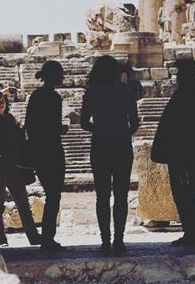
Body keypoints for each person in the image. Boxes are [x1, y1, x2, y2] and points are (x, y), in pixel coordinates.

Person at [81, 55, 139, 254]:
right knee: (121, 195)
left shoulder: (91, 93)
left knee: (102, 195)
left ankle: (105, 241)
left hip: (100, 146)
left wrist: (100, 129)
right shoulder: (125, 91)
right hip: (122, 146)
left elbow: (83, 123)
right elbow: (135, 124)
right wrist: (121, 131)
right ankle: (119, 240)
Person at [151, 59, 195, 246]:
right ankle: (194, 233)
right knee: (188, 193)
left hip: (183, 154)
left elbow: (180, 128)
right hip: (194, 153)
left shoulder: (185, 96)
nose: (176, 77)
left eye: (179, 73)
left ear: (184, 75)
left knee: (185, 194)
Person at [0, 87, 42, 248]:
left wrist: (21, 126)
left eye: (3, 101)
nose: (0, 104)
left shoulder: (10, 118)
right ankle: (1, 240)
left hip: (13, 166)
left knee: (23, 202)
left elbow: (20, 140)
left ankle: (34, 237)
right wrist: (4, 91)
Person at [25, 60, 68, 253]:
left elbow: (31, 126)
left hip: (37, 151)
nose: (63, 77)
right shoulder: (54, 98)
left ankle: (47, 238)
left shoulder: (35, 96)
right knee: (54, 195)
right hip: (52, 151)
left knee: (52, 194)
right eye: (60, 73)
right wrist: (62, 129)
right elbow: (53, 127)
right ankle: (48, 239)